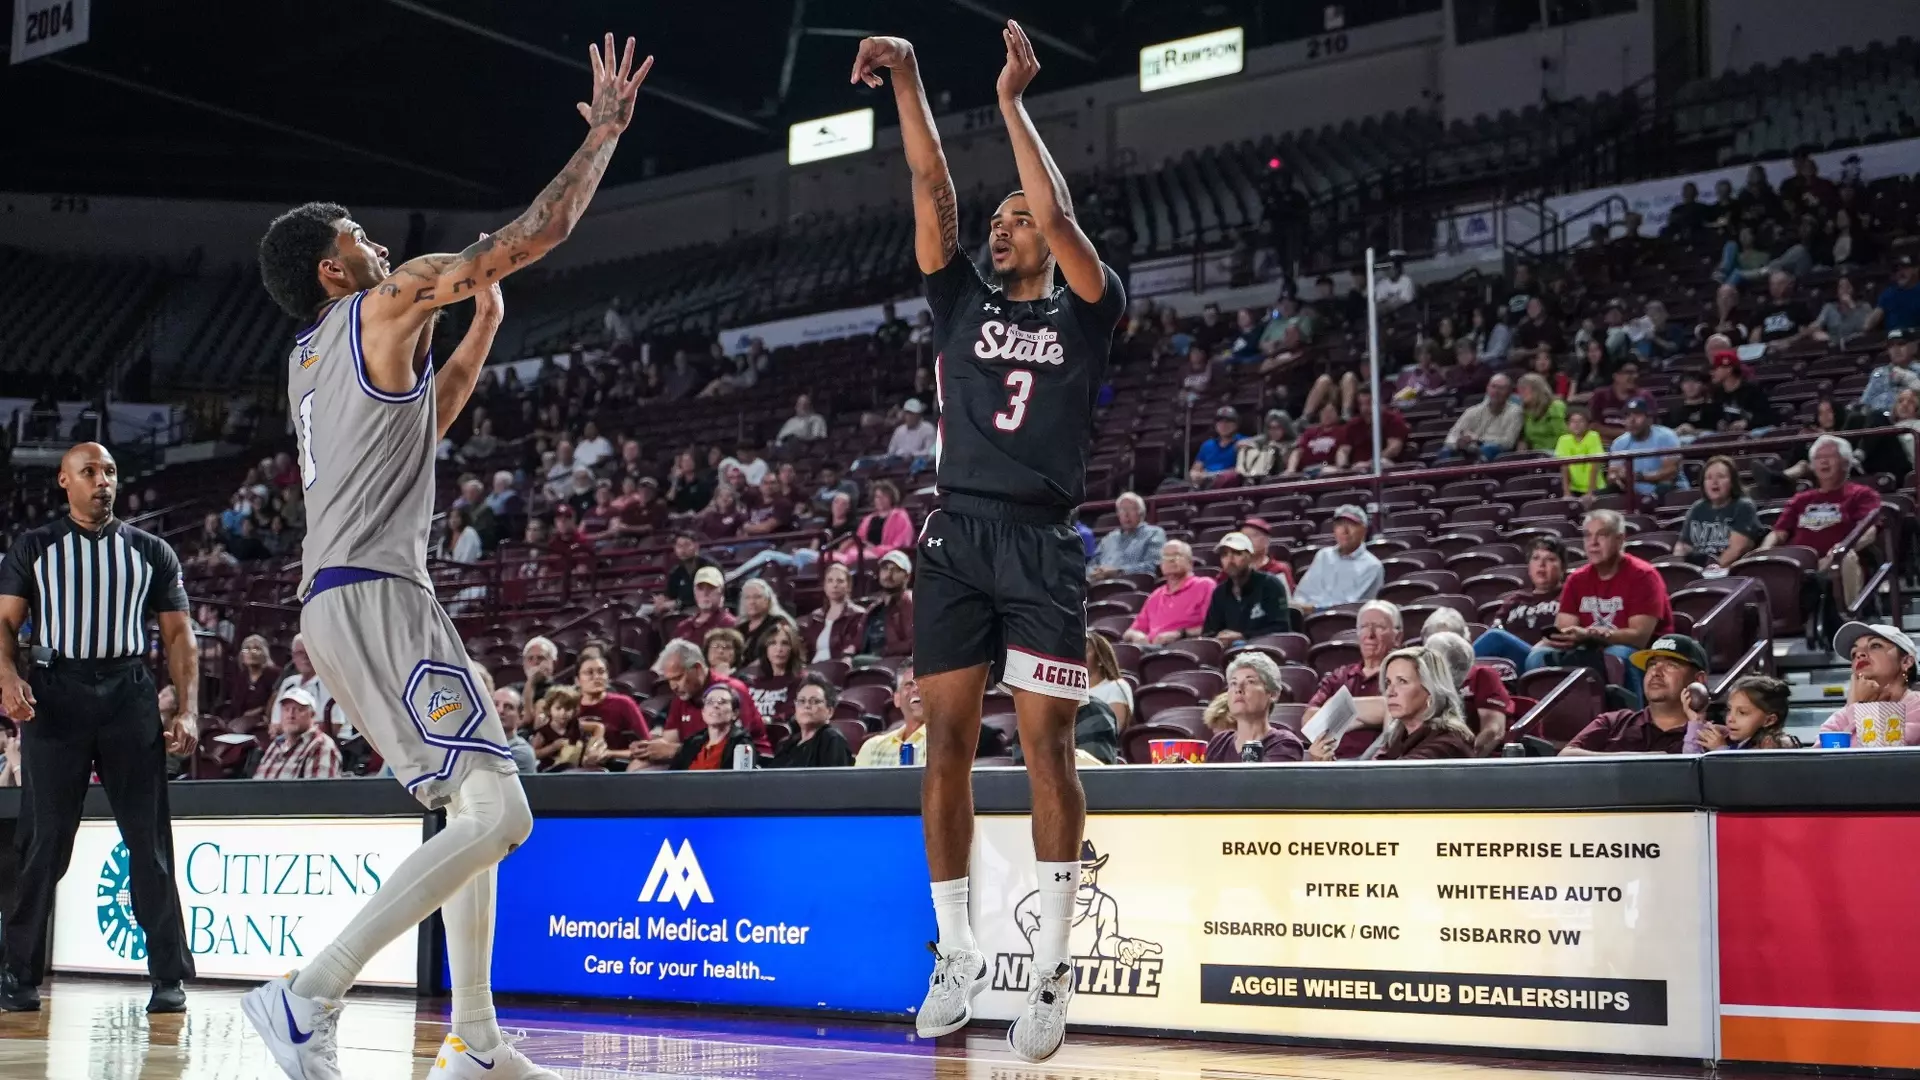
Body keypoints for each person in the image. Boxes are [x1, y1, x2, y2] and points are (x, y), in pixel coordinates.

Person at [245, 37, 650, 1077]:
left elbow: (422, 426)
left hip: (342, 603)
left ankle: (475, 1040)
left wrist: (477, 333)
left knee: (476, 794)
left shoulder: (311, 358)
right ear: (336, 267)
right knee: (502, 805)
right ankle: (308, 992)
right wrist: (603, 135)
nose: (379, 243)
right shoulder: (387, 299)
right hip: (379, 595)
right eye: (359, 236)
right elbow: (537, 231)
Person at [855, 23, 1128, 1060]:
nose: (1007, 227)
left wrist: (1013, 107)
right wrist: (912, 75)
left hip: (1041, 541)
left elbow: (1055, 210)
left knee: (1050, 749)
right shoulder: (957, 296)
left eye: (1021, 218)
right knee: (948, 750)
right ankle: (958, 951)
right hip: (956, 537)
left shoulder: (1092, 308)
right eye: (1001, 219)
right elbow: (933, 190)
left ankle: (1051, 970)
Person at [0, 443, 200, 1015]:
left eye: (110, 471)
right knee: (44, 843)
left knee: (149, 842)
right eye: (90, 472)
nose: (103, 481)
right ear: (65, 481)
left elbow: (181, 636)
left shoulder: (152, 551)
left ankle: (168, 975)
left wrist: (186, 709)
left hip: (127, 693)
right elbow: (4, 626)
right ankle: (18, 972)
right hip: (55, 695)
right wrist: (9, 679)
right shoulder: (34, 547)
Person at [1489, 511, 1670, 700]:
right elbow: (1564, 628)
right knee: (1538, 656)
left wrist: (1591, 634)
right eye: (1588, 535)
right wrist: (1562, 637)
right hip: (1589, 648)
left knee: (1618, 654)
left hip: (1641, 652)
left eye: (1602, 535)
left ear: (1620, 539)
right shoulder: (1577, 579)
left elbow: (1639, 637)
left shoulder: (1643, 576)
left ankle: (1631, 719)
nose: (1593, 542)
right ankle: (1550, 720)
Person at [1757, 434, 1880, 615]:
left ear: (1846, 463)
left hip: (1836, 560)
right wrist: (1764, 550)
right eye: (1818, 458)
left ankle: (1846, 620)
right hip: (1798, 563)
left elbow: (1870, 530)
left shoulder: (1862, 494)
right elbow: (1778, 532)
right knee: (1755, 559)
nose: (1823, 462)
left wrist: (1841, 550)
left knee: (1846, 558)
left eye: (1830, 457)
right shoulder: (1801, 499)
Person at [1559, 634, 1706, 755]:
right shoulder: (1614, 722)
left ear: (1698, 679)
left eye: (1671, 665)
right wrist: (1634, 759)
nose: (1656, 672)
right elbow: (1564, 757)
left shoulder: (1712, 736)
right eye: (1652, 664)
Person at [1301, 600, 1402, 759]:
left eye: (1379, 627)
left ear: (1398, 637)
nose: (1370, 635)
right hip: (1332, 761)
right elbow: (1310, 722)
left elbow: (1399, 712)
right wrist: (1375, 712)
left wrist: (1337, 710)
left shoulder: (1401, 674)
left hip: (1375, 764)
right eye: (1364, 627)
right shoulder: (1340, 675)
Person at [642, 638, 772, 763]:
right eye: (669, 680)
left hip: (742, 763)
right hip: (695, 761)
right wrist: (649, 748)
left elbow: (731, 745)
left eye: (678, 678)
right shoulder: (682, 696)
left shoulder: (730, 691)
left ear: (697, 669)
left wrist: (676, 751)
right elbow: (669, 742)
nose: (673, 686)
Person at [1817, 622, 1920, 748]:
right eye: (1854, 653)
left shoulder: (1916, 706)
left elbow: (1880, 755)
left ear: (1906, 662)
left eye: (1875, 645)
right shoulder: (1840, 717)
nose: (1859, 654)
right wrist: (1856, 707)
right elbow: (1817, 763)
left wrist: (1856, 707)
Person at [1367, 647, 1474, 760]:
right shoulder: (1399, 736)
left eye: (1402, 681)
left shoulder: (1448, 743)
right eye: (1388, 683)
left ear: (1430, 690)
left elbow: (1392, 775)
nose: (1390, 692)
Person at [1421, 628, 1510, 755]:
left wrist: (1465, 761)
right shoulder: (1425, 683)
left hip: (1480, 758)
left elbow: (1493, 731)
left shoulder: (1482, 675)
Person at [1204, 652, 1307, 762]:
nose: (1238, 689)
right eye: (1233, 683)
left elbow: (1258, 779)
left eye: (1250, 681)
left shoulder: (1284, 744)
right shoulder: (1219, 743)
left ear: (1273, 694)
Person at [1673, 456, 1763, 569]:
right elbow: (1683, 545)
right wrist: (1680, 566)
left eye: (1721, 476)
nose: (1714, 482)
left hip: (1730, 571)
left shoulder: (1743, 506)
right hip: (1700, 570)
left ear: (1732, 482)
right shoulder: (1697, 508)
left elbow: (1737, 548)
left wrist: (1714, 569)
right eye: (1709, 478)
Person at [1291, 505, 1383, 613]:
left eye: (1351, 525)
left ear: (1364, 530)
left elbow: (1349, 607)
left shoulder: (1372, 565)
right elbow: (1302, 594)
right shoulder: (1323, 555)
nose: (1345, 530)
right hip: (1309, 619)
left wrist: (1314, 609)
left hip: (1346, 623)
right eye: (1339, 525)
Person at [1203, 532, 1293, 641]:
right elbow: (1209, 632)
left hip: (1267, 650)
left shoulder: (1271, 584)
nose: (1230, 560)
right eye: (1224, 555)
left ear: (1250, 557)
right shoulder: (1219, 592)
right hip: (1228, 653)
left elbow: (1281, 629)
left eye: (1236, 553)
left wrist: (1243, 637)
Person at [1123, 541, 1214, 644]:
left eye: (1177, 555)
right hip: (1151, 649)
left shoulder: (1205, 585)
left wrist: (1179, 634)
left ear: (1190, 563)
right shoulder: (1156, 595)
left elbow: (1214, 626)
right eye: (1166, 557)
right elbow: (1130, 632)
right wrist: (1137, 635)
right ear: (1161, 565)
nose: (1171, 560)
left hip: (1185, 647)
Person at [572, 650, 647, 766]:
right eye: (589, 673)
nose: (596, 677)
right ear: (577, 681)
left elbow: (646, 747)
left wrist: (610, 753)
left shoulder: (624, 704)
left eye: (601, 672)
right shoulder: (568, 706)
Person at [253, 686, 345, 780]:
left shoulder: (321, 746)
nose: (290, 715)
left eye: (299, 710)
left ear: (312, 715)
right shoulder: (276, 745)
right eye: (286, 709)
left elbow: (318, 792)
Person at [1606, 398, 1687, 502]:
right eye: (1628, 416)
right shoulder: (1619, 443)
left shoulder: (1666, 436)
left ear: (1649, 419)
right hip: (1634, 494)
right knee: (1605, 493)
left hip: (1668, 491)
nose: (1632, 420)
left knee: (1665, 485)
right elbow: (1612, 472)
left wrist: (1638, 476)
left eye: (1637, 415)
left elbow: (1671, 472)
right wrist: (1615, 478)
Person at [1693, 675, 1800, 752]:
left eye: (1742, 713)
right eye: (1729, 709)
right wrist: (1696, 725)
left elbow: (1748, 778)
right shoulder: (1738, 741)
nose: (1730, 718)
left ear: (1769, 720)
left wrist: (1720, 750)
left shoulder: (1773, 745)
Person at [769, 673, 855, 767]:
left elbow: (834, 780)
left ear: (830, 711)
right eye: (801, 701)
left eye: (815, 701)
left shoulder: (832, 739)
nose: (807, 706)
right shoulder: (787, 744)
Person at [668, 683, 759, 770]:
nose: (715, 705)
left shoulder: (742, 744)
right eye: (710, 702)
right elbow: (672, 777)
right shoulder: (691, 743)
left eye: (722, 702)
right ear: (703, 712)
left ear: (734, 713)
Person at [1437, 374, 1523, 463]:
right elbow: (1452, 434)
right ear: (1487, 388)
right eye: (1493, 387)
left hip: (1495, 453)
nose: (1496, 391)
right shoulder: (1472, 411)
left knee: (1488, 448)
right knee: (1446, 451)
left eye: (1501, 388)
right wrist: (1457, 443)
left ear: (1509, 392)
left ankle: (1477, 474)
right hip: (1467, 449)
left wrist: (1479, 439)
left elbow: (1508, 442)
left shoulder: (1515, 412)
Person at [854, 667, 928, 766]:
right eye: (909, 685)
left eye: (923, 683)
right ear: (897, 699)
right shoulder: (872, 748)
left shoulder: (949, 743)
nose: (916, 688)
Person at [1087, 492, 1164, 581]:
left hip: (1134, 587)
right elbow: (1091, 565)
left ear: (1141, 513)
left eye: (1131, 509)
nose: (1126, 514)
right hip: (1101, 587)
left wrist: (1119, 572)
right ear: (1118, 514)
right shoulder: (1109, 538)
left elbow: (1154, 566)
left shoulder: (1154, 533)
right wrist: (1094, 573)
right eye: (1122, 510)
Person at [834, 479, 914, 566]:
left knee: (852, 557)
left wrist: (876, 549)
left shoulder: (900, 516)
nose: (880, 500)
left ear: (891, 498)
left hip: (885, 555)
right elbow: (859, 538)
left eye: (884, 496)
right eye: (877, 497)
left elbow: (901, 545)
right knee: (830, 556)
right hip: (863, 552)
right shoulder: (868, 519)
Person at [739, 620, 805, 723]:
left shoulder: (800, 681)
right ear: (765, 648)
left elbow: (792, 713)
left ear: (793, 648)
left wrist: (768, 720)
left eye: (785, 643)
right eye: (772, 643)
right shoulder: (753, 683)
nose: (779, 649)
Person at [801, 562, 867, 661]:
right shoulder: (815, 617)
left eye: (840, 581)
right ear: (824, 586)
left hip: (837, 668)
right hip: (813, 669)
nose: (835, 585)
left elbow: (853, 647)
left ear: (848, 586)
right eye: (830, 581)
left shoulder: (858, 615)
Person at [863, 550, 917, 657]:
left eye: (895, 570)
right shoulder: (874, 608)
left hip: (896, 663)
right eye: (885, 568)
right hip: (870, 661)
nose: (888, 574)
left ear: (907, 577)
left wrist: (886, 651)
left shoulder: (911, 602)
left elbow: (917, 642)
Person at [1709, 348, 1776, 432]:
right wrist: (1719, 423)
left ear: (1728, 369)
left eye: (1716, 368)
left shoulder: (1752, 390)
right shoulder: (1718, 393)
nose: (1712, 372)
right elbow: (1714, 417)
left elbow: (1767, 417)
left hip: (1751, 435)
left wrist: (1746, 423)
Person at [1555, 406, 1606, 500]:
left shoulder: (1593, 436)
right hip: (1574, 489)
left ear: (1588, 424)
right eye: (1573, 421)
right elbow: (1564, 468)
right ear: (1567, 424)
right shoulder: (1563, 440)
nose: (1576, 424)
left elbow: (1594, 466)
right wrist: (1567, 493)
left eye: (1580, 421)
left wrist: (1590, 493)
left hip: (1596, 489)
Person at [1084, 633, 1132, 728]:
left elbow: (1114, 728)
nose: (1079, 657)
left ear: (1100, 659)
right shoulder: (1072, 690)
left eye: (1085, 652)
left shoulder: (1116, 687)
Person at [1189, 407, 1244, 485]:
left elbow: (1241, 471)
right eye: (1220, 421)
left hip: (1229, 486)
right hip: (1206, 485)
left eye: (1228, 421)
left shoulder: (1243, 442)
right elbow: (1195, 469)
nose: (1223, 425)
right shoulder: (1207, 445)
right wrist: (1195, 475)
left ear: (1236, 424)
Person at [1515, 373, 1567, 452]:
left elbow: (1563, 437)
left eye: (1524, 389)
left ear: (1537, 390)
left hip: (1555, 453)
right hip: (1535, 454)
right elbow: (1526, 437)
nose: (1520, 393)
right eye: (1519, 390)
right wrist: (1523, 443)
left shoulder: (1555, 407)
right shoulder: (1526, 410)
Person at [1664, 370, 1718, 438]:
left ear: (1703, 385)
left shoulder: (1714, 408)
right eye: (1686, 382)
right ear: (1681, 386)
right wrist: (1678, 430)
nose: (1690, 386)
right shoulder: (1673, 411)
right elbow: (1665, 435)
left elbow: (1719, 433)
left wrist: (1694, 432)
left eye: (1695, 382)